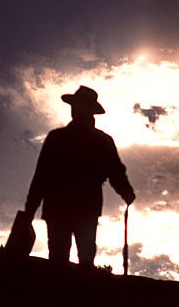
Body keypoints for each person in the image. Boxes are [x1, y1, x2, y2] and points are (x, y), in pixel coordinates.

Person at [24, 85, 136, 269]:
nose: (75, 109)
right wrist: (29, 210)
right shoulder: (95, 141)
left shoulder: (64, 138)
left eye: (79, 105)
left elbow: (116, 173)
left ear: (89, 110)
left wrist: (127, 192)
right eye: (75, 105)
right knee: (65, 262)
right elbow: (41, 176)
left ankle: (76, 295)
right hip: (72, 209)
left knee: (79, 262)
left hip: (72, 209)